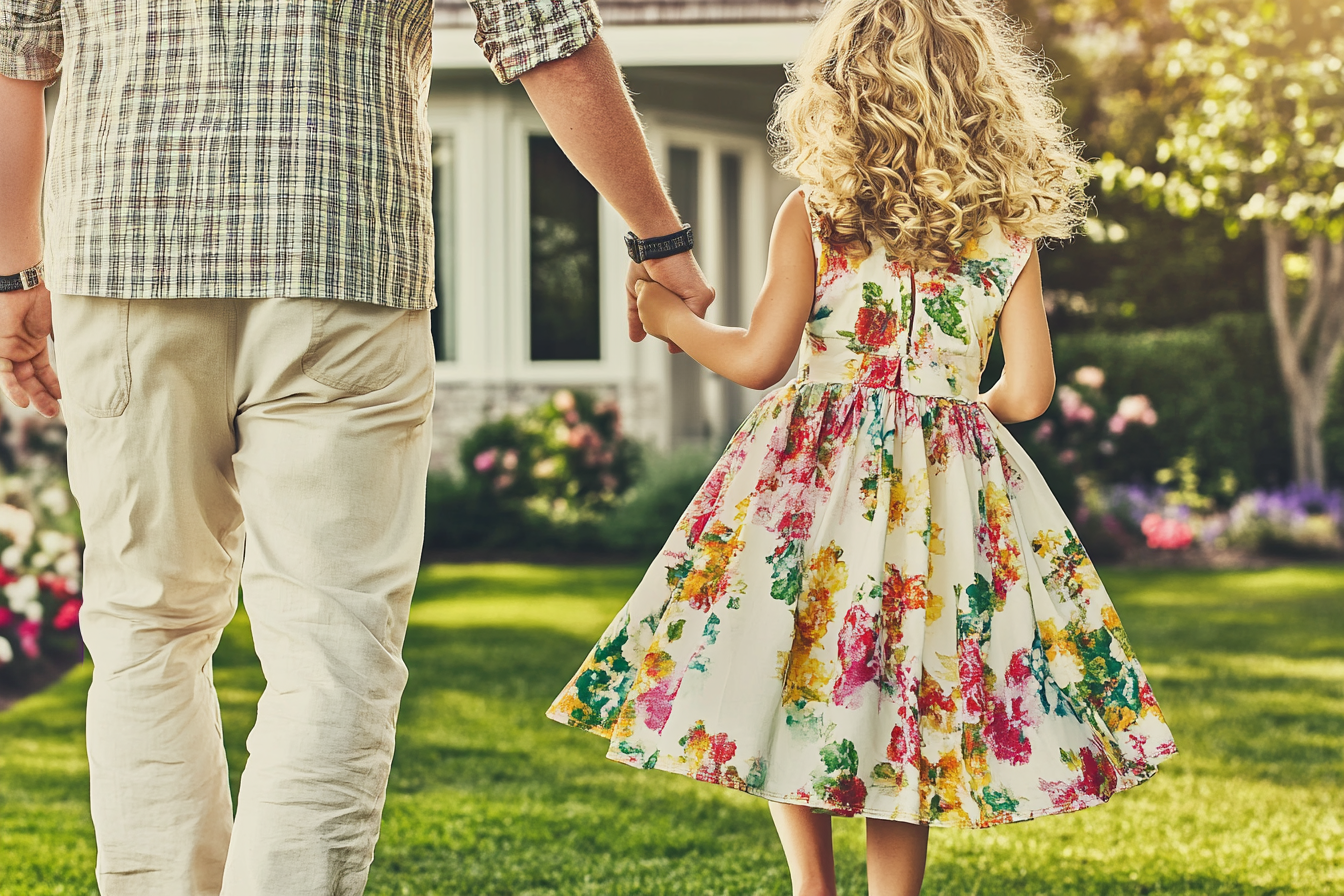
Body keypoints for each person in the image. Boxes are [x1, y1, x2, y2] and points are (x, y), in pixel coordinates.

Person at [0, 1, 710, 893]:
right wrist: (660, 235)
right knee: (332, 653)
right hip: (343, 257)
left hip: (125, 259)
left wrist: (13, 270)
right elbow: (549, 39)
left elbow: (14, 48)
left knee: (146, 628)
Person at [546, 0, 1178, 893]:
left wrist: (659, 313)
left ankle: (813, 885)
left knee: (789, 650)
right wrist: (950, 412)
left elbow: (761, 359)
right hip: (944, 483)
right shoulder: (1008, 234)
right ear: (982, 91)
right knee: (907, 686)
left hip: (812, 475)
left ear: (842, 91)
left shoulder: (818, 214)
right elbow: (1030, 391)